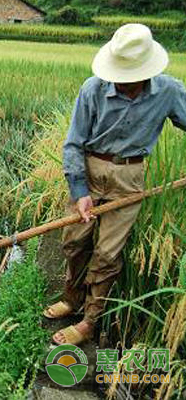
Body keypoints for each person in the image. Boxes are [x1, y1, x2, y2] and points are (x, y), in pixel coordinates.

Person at [43, 23, 186, 345]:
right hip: (90, 171)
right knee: (74, 242)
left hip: (129, 178)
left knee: (108, 254)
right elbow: (73, 144)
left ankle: (89, 321)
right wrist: (80, 192)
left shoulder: (169, 91)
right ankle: (72, 297)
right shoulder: (93, 89)